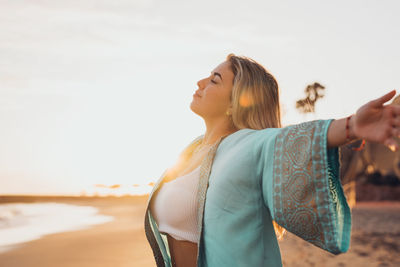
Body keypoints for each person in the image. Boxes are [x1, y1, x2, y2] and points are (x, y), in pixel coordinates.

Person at [144, 54, 400, 267]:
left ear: (235, 102)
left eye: (215, 80)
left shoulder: (248, 144)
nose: (200, 82)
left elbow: (290, 139)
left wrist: (352, 126)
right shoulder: (192, 150)